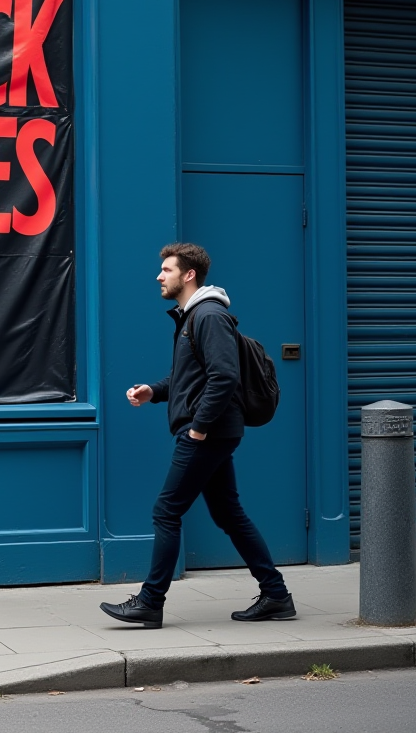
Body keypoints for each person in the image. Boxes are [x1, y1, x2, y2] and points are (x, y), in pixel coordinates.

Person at [100, 243, 295, 628]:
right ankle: (276, 595)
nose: (159, 276)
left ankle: (150, 602)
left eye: (167, 270)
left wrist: (199, 429)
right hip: (214, 432)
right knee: (228, 512)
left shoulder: (208, 316)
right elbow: (191, 378)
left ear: (188, 275)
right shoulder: (192, 317)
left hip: (210, 432)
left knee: (166, 510)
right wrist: (153, 391)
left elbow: (224, 377)